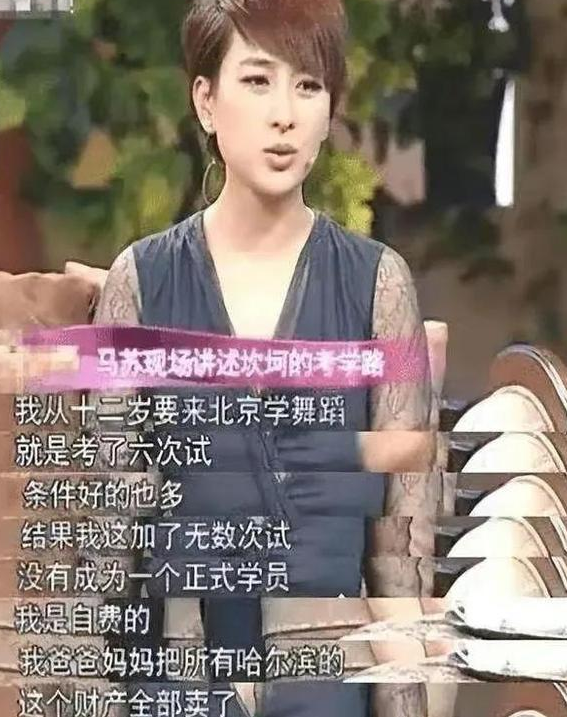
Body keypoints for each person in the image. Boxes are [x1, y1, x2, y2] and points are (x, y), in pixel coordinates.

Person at [93, 0, 438, 714]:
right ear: (205, 101)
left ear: (329, 110)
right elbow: (109, 545)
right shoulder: (142, 283)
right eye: (257, 81)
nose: (284, 115)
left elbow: (398, 563)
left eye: (308, 86)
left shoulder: (378, 286)